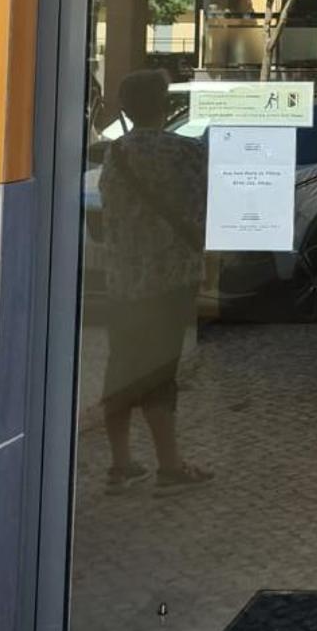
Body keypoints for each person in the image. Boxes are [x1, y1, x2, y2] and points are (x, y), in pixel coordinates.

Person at [97, 67, 213, 494]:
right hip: (168, 281)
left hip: (122, 279)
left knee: (121, 366)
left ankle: (121, 462)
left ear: (125, 108)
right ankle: (169, 466)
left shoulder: (115, 153)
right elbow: (208, 201)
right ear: (164, 106)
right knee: (160, 370)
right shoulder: (184, 153)